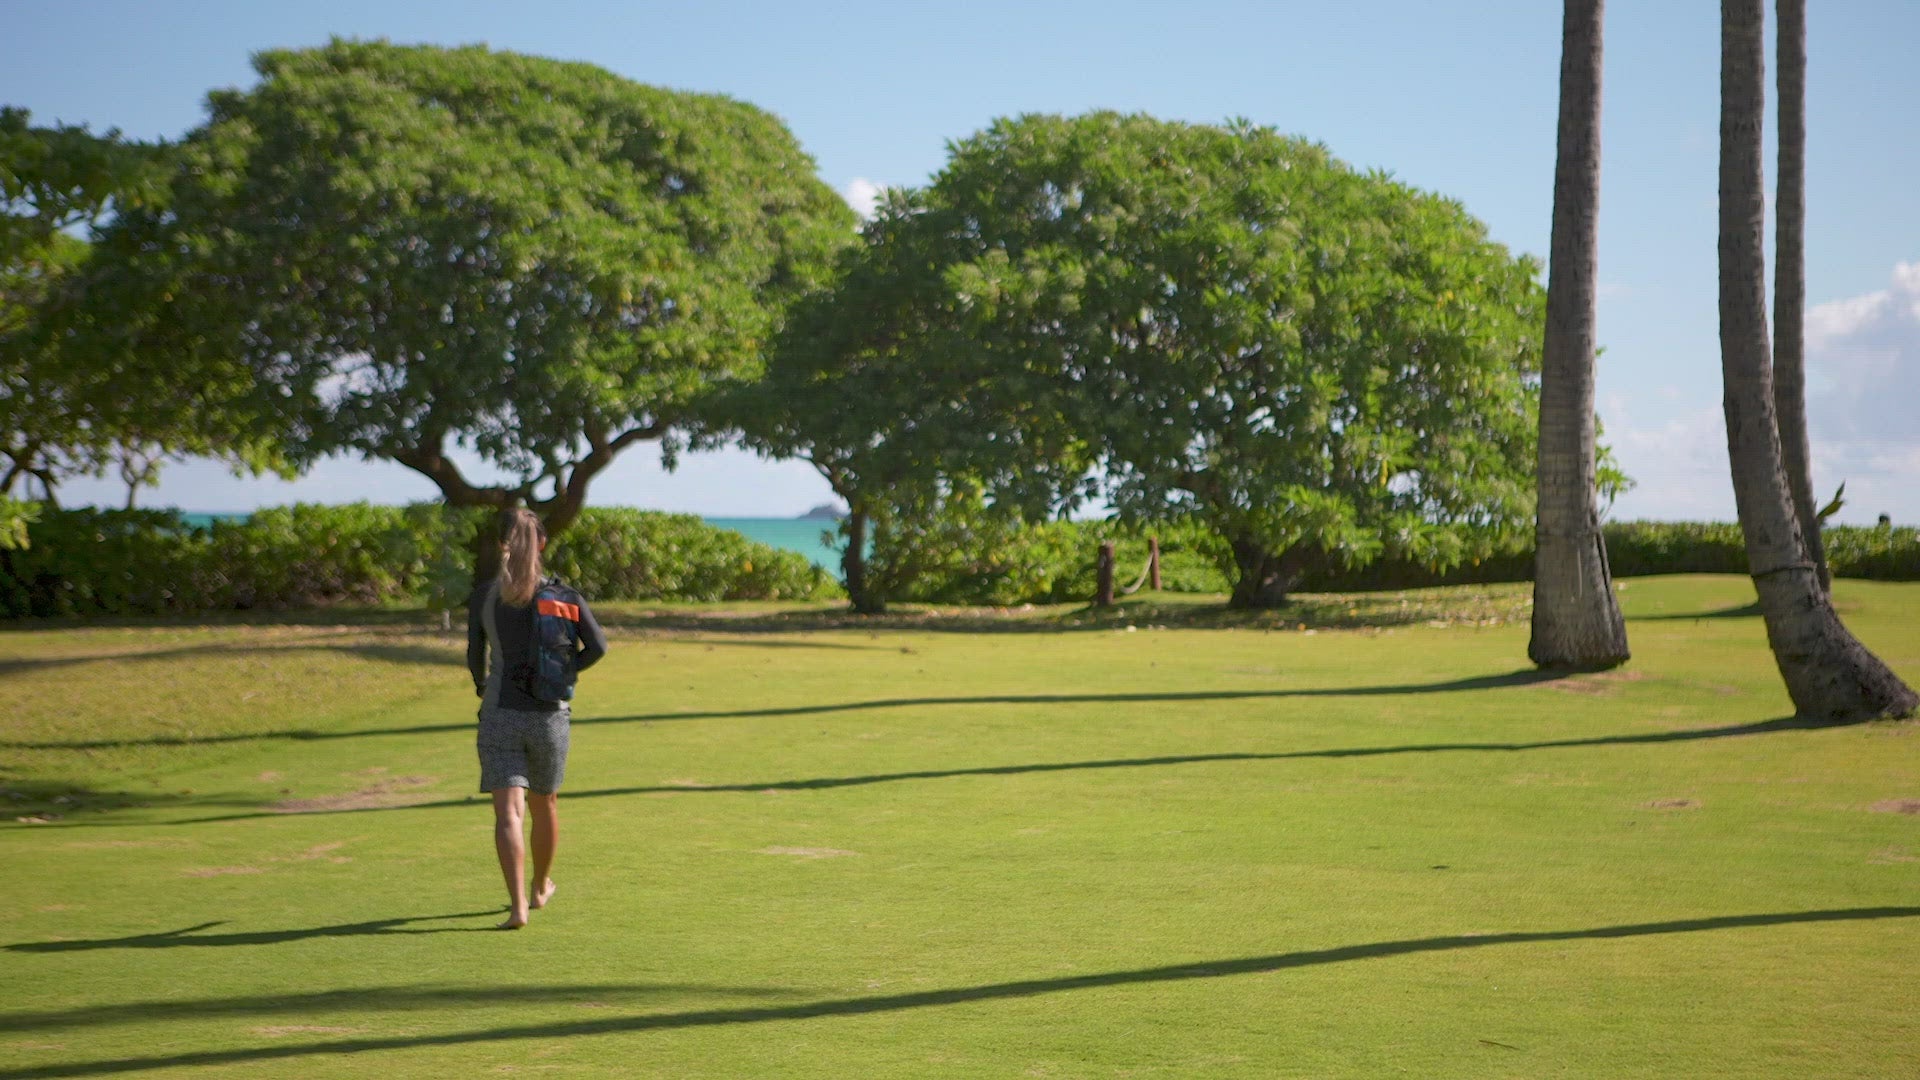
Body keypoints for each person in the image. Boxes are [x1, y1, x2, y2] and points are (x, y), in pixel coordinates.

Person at [466, 507, 607, 929]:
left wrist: (481, 686)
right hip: (549, 717)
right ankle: (541, 887)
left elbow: (476, 657)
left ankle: (517, 908)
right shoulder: (565, 597)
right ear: (542, 543)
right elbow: (598, 647)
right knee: (544, 805)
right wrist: (565, 673)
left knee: (508, 814)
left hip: (499, 714)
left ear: (501, 544)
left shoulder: (484, 597)